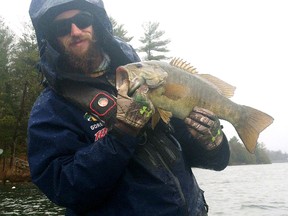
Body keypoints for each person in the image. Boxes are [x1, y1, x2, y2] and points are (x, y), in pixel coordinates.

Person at [28, 0, 230, 215]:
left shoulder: (145, 80)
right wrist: (121, 135)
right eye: (62, 27)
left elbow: (202, 157)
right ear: (50, 37)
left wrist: (213, 144)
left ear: (96, 23)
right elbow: (63, 188)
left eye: (82, 20)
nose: (75, 31)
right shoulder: (50, 109)